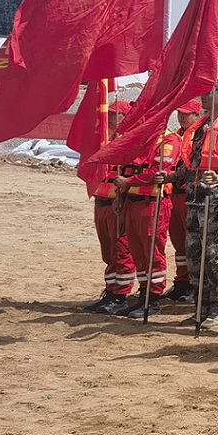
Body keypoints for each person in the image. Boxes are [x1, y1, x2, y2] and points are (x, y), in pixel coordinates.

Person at [174, 80, 218, 330]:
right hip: (194, 199)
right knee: (195, 257)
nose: (202, 98)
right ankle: (200, 308)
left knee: (216, 257)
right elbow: (192, 162)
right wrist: (171, 177)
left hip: (216, 201)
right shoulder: (201, 126)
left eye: (208, 93)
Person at [114, 109, 183, 319]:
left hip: (153, 203)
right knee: (138, 254)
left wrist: (128, 181)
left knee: (153, 253)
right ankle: (143, 294)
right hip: (133, 202)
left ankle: (153, 299)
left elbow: (156, 172)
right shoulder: (141, 141)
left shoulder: (169, 140)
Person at [85, 101, 137, 313]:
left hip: (118, 204)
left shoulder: (128, 143)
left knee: (121, 251)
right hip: (101, 202)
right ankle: (111, 291)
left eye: (115, 114)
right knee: (108, 253)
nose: (110, 117)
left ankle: (120, 295)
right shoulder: (102, 141)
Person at [164, 101, 200, 302]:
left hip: (190, 195)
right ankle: (182, 281)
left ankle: (195, 284)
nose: (182, 117)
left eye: (187, 114)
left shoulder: (200, 137)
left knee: (193, 242)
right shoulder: (174, 137)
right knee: (179, 243)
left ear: (197, 115)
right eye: (179, 113)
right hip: (174, 194)